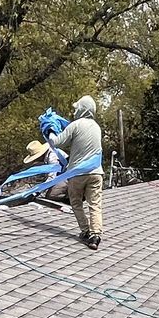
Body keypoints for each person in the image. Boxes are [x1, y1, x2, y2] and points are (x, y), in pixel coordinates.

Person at [54, 94, 104, 248]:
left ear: (82, 109)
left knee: (76, 203)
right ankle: (96, 235)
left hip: (77, 174)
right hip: (96, 173)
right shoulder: (97, 127)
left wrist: (49, 129)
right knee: (95, 204)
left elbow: (57, 142)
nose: (74, 112)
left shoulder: (75, 125)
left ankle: (85, 231)